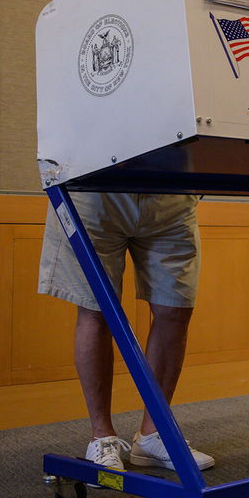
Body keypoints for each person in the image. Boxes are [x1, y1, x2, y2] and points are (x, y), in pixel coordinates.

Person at [38, 191, 214, 473]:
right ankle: (102, 437)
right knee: (96, 310)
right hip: (95, 194)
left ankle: (154, 435)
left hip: (170, 194)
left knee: (175, 310)